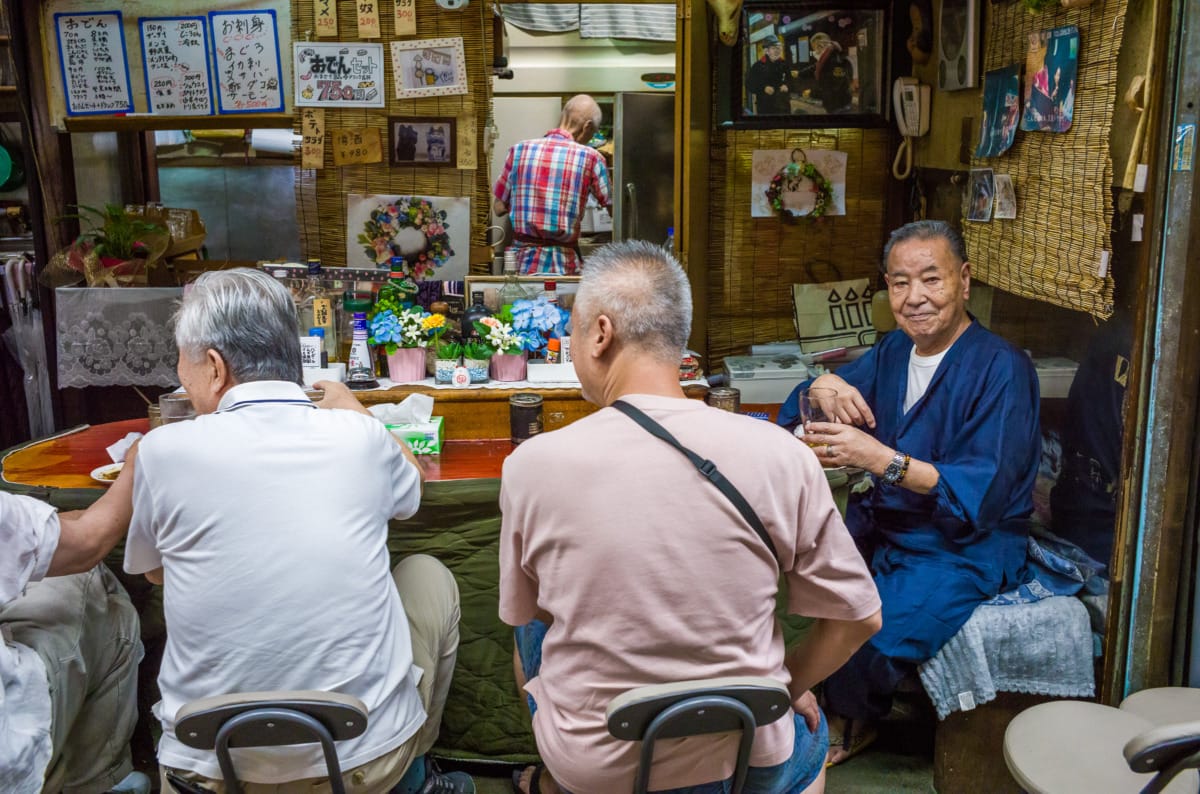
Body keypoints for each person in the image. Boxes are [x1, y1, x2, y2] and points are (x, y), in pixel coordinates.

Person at [499, 240, 882, 794]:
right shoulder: (783, 455)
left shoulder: (532, 465)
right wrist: (780, 686)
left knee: (531, 622)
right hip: (749, 749)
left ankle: (556, 783)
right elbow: (859, 618)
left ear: (601, 334)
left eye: (574, 333)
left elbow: (526, 609)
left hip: (603, 768)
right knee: (806, 737)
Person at [120, 268, 473, 794]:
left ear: (214, 368)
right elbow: (411, 489)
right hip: (358, 765)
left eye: (182, 360)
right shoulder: (358, 438)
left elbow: (155, 573)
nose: (180, 375)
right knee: (428, 575)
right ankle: (413, 775)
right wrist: (356, 409)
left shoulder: (160, 452)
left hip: (209, 771)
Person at [778, 220, 1041, 765]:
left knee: (869, 629)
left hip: (962, 545)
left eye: (931, 280)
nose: (915, 298)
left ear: (964, 281)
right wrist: (823, 385)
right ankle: (790, 697)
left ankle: (852, 720)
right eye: (900, 283)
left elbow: (982, 494)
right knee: (797, 584)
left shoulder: (1003, 368)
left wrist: (877, 458)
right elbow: (810, 403)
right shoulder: (896, 351)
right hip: (888, 522)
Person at [0, 469, 146, 794]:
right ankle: (100, 780)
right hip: (9, 763)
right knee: (99, 594)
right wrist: (141, 458)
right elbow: (87, 544)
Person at [492, 95, 612, 276]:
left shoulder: (519, 150)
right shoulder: (591, 157)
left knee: (519, 304)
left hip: (521, 266)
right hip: (563, 266)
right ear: (587, 126)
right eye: (592, 134)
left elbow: (499, 207)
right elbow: (614, 209)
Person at [746, 36, 791, 115]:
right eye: (774, 48)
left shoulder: (784, 64)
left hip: (783, 107)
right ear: (766, 51)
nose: (777, 51)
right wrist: (763, 88)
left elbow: (791, 80)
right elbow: (749, 84)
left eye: (778, 48)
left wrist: (787, 86)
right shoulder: (757, 66)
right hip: (765, 108)